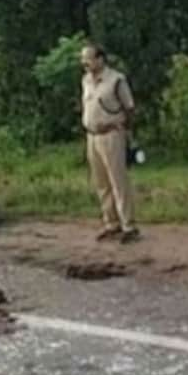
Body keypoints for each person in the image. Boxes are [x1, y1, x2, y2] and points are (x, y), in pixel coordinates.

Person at [80, 44, 138, 244]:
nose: (84, 63)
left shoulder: (116, 80)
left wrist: (126, 130)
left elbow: (129, 107)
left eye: (88, 58)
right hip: (92, 135)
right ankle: (111, 222)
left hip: (111, 133)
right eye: (83, 59)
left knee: (118, 180)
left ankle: (128, 225)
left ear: (100, 59)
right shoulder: (86, 80)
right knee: (101, 182)